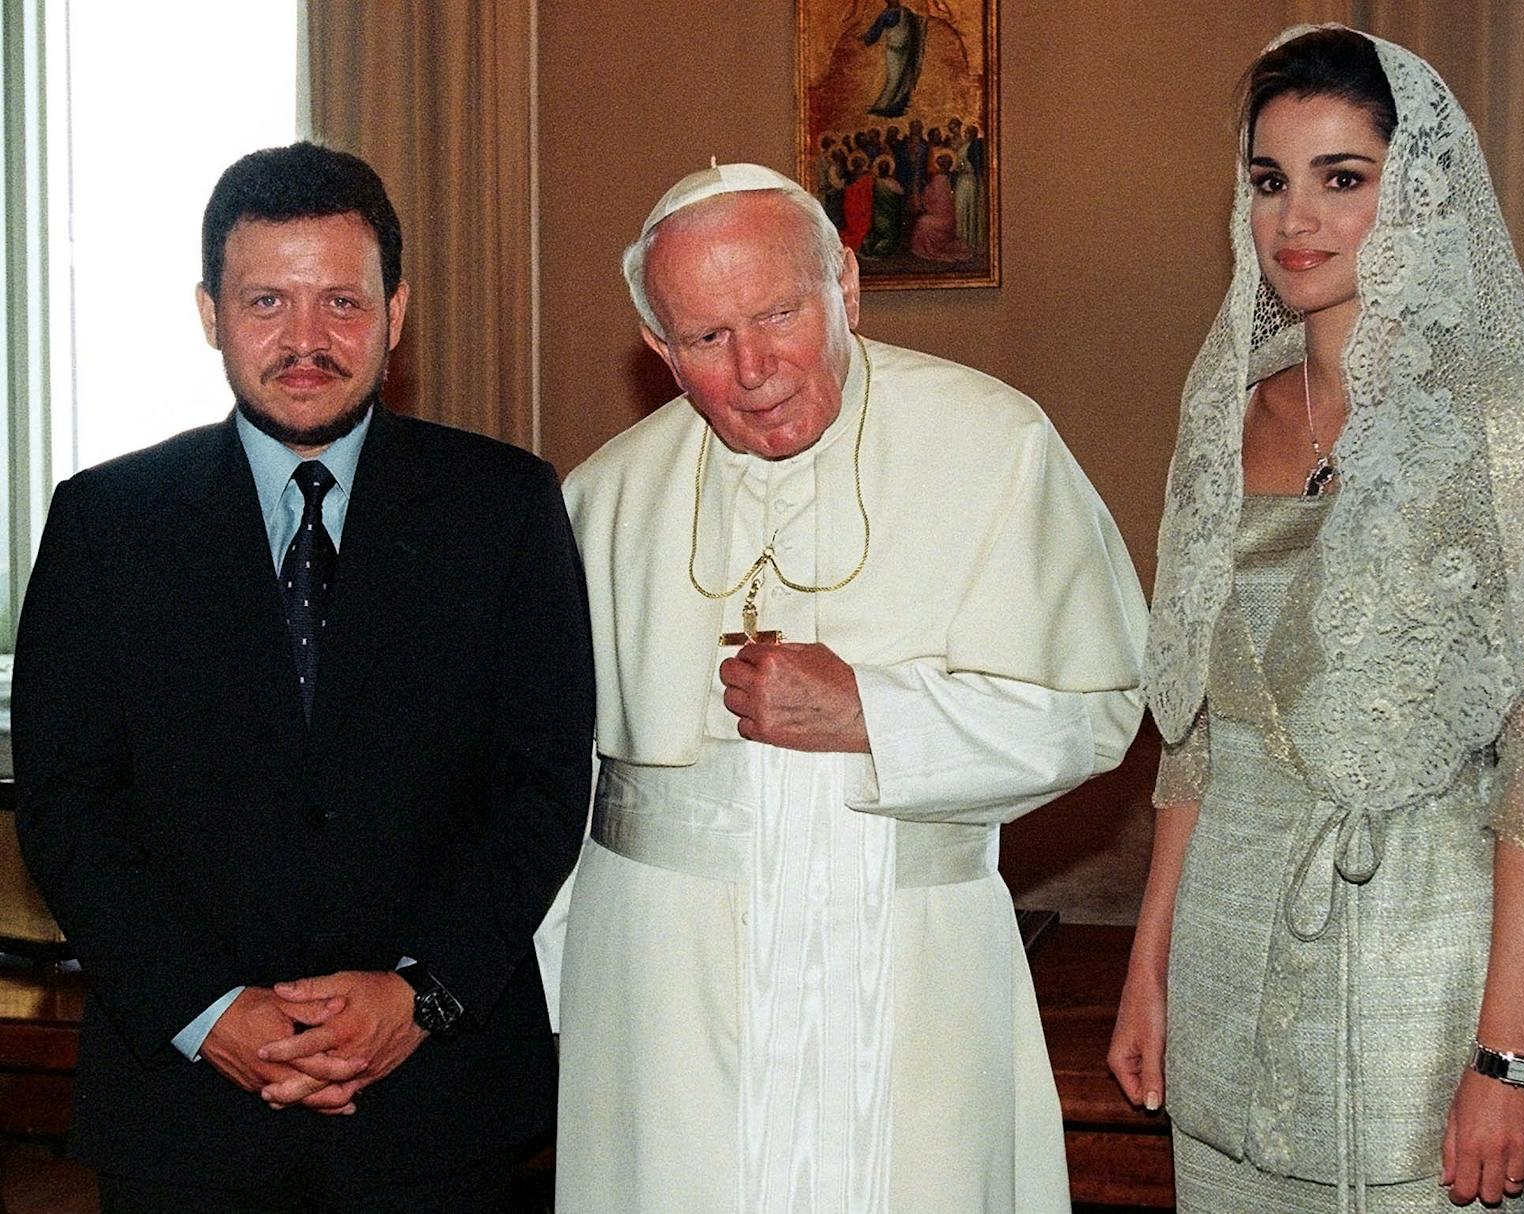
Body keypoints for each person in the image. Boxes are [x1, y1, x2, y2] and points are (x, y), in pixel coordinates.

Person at [553, 162, 1148, 1212]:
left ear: (845, 285)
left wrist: (876, 714)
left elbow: (1096, 709)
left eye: (779, 312)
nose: (753, 367)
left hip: (908, 969)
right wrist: (566, 986)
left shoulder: (994, 442)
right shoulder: (600, 497)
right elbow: (552, 781)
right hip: (664, 996)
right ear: (658, 349)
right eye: (704, 337)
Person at [11, 142, 595, 1211]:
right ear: (208, 311)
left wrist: (421, 995)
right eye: (266, 299)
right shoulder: (104, 522)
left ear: (396, 310)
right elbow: (65, 801)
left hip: (438, 1103)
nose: (306, 340)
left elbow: (544, 784)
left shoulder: (505, 507)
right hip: (181, 1105)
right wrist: (204, 1008)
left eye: (341, 301)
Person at [1107, 27, 1524, 1213]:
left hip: (1424, 975)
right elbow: (1192, 733)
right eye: (1269, 180)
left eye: (1342, 178)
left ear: (1416, 189)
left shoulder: (1502, 422)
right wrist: (1149, 961)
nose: (1298, 218)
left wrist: (1507, 1053)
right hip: (1228, 953)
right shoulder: (1220, 419)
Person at [863, 0, 926, 119]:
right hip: (894, 51)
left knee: (906, 78)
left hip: (906, 50)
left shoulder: (906, 12)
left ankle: (897, 106)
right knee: (893, 79)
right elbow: (876, 31)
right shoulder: (886, 15)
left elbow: (916, 22)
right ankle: (880, 107)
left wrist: (921, 22)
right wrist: (867, 38)